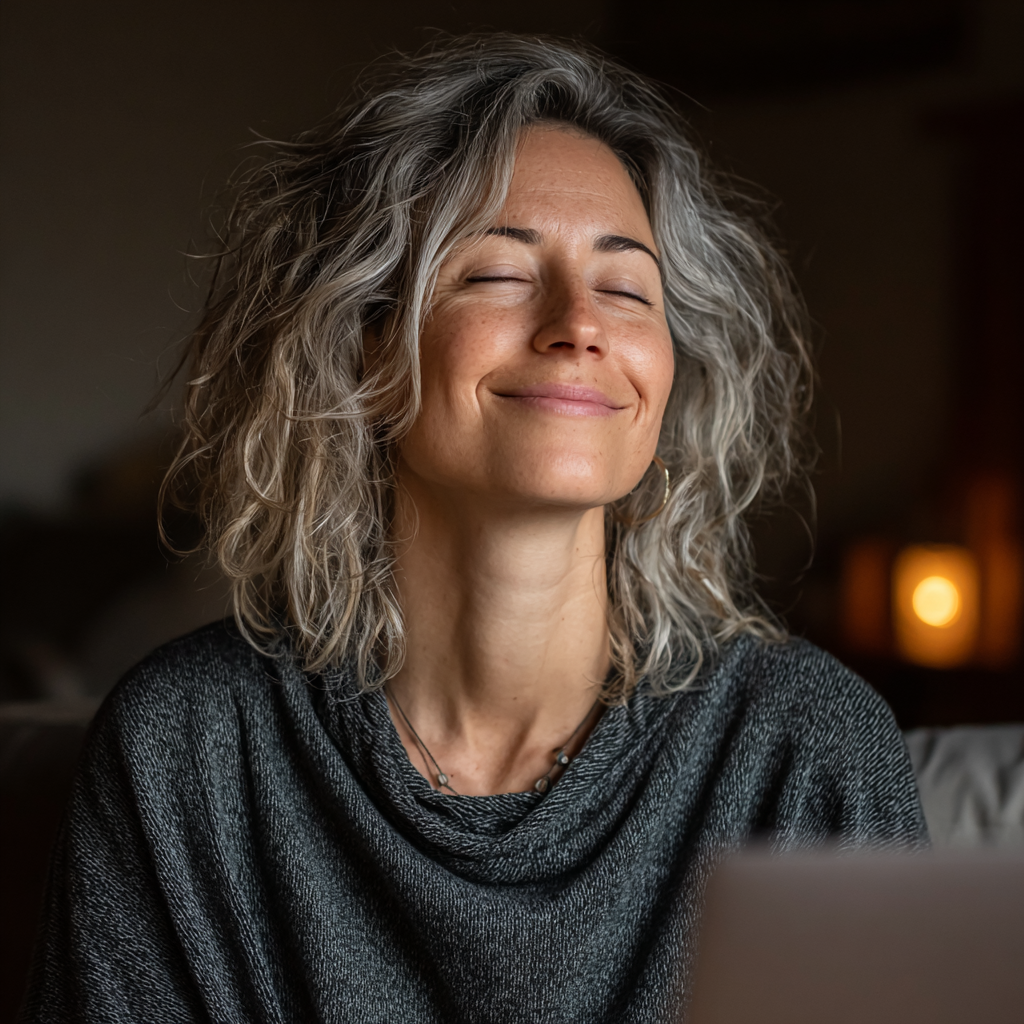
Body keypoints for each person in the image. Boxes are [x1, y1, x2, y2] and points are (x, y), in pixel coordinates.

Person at [21, 33, 927, 1024]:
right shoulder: (187, 747)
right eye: (498, 273)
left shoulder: (806, 750)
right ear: (362, 347)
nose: (580, 323)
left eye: (627, 288)